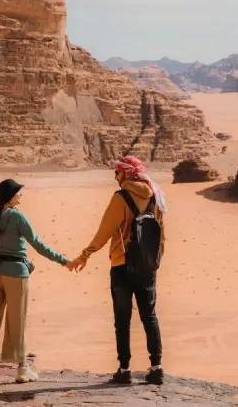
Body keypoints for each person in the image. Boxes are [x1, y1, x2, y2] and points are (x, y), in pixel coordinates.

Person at [73, 156, 166, 385]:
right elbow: (162, 234)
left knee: (122, 320)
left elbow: (104, 231)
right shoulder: (155, 196)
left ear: (126, 173)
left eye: (117, 172)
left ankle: (124, 370)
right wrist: (154, 261)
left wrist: (85, 254)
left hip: (122, 265)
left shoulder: (121, 197)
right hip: (147, 267)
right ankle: (157, 367)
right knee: (149, 316)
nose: (115, 176)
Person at [0, 178, 76, 383]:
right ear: (11, 196)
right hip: (17, 274)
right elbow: (37, 244)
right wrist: (64, 261)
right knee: (17, 321)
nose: (21, 194)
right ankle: (22, 369)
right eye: (18, 192)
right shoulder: (18, 217)